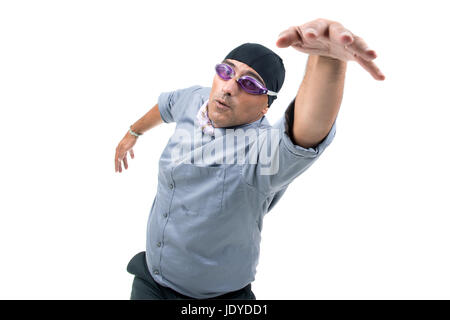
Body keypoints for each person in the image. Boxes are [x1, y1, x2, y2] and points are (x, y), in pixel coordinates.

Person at [114, 18, 385, 300]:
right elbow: (167, 104)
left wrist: (328, 61)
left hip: (214, 299)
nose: (229, 87)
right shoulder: (197, 99)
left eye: (250, 85)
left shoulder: (261, 150)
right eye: (225, 71)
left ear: (265, 106)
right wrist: (133, 132)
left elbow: (306, 131)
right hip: (151, 279)